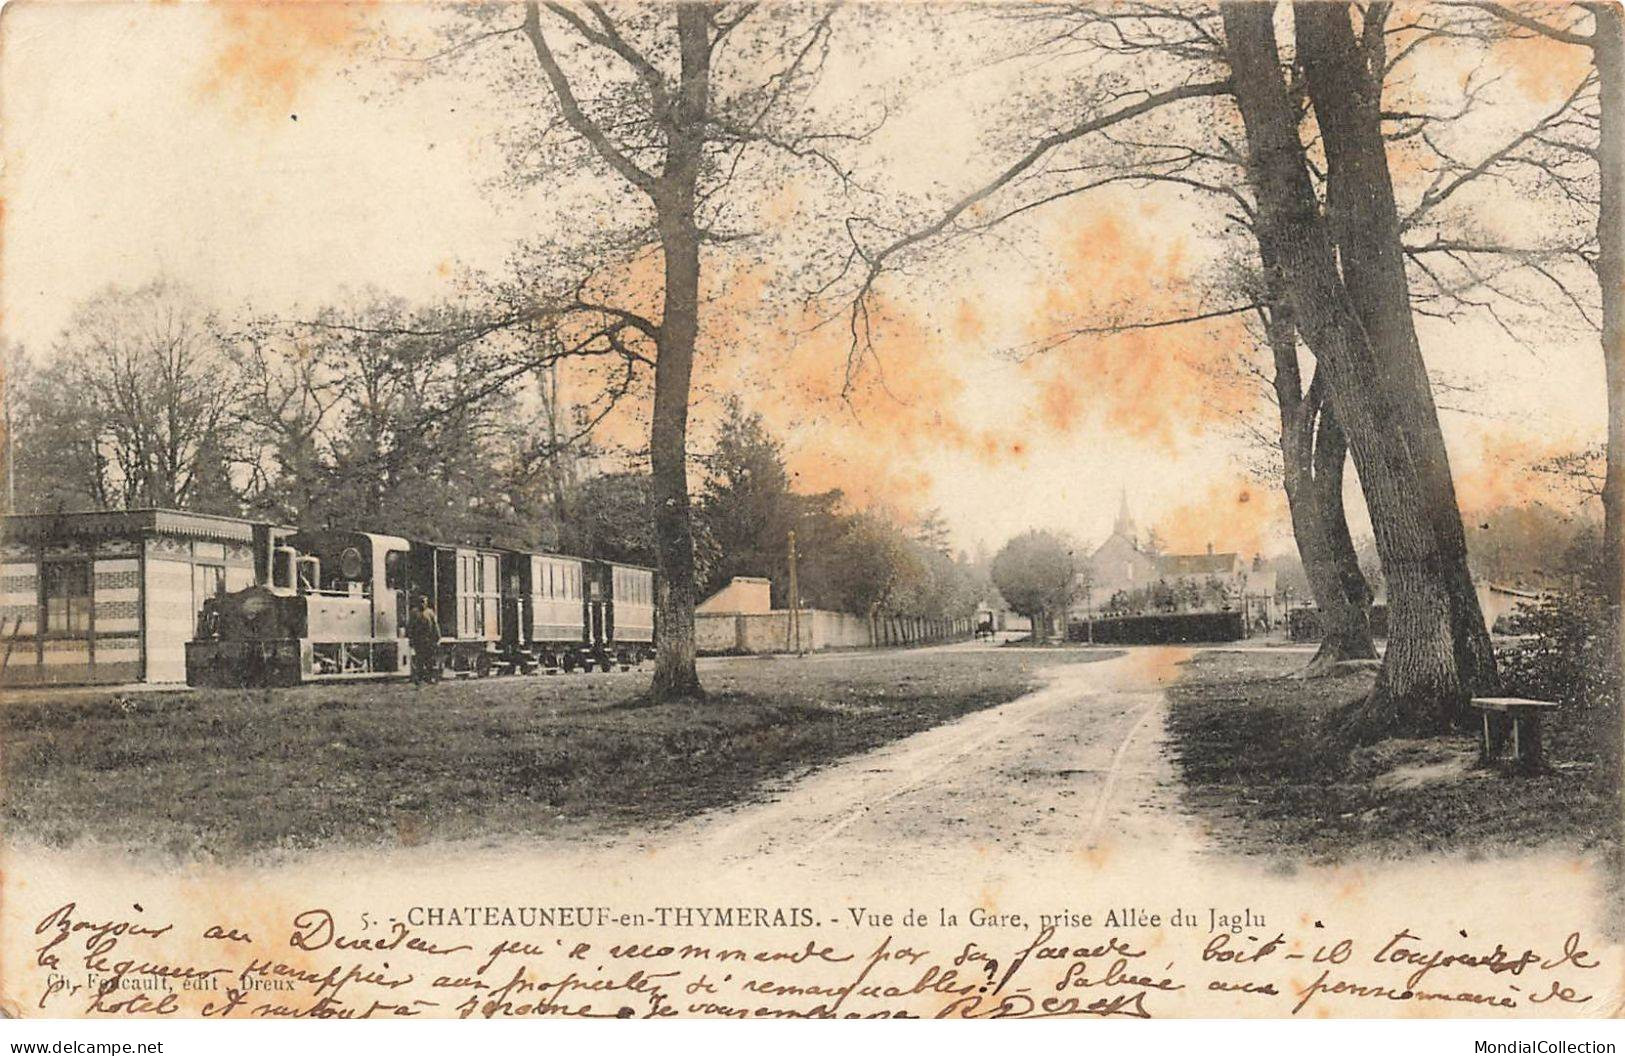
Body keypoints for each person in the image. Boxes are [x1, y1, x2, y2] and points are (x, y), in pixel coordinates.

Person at [407, 595, 441, 684]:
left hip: (428, 640)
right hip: (418, 640)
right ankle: (419, 678)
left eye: (424, 602)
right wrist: (410, 638)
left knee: (429, 660)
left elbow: (435, 625)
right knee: (419, 660)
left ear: (426, 603)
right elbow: (410, 626)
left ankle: (429, 677)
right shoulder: (414, 613)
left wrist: (437, 638)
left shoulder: (430, 613)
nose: (423, 604)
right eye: (421, 602)